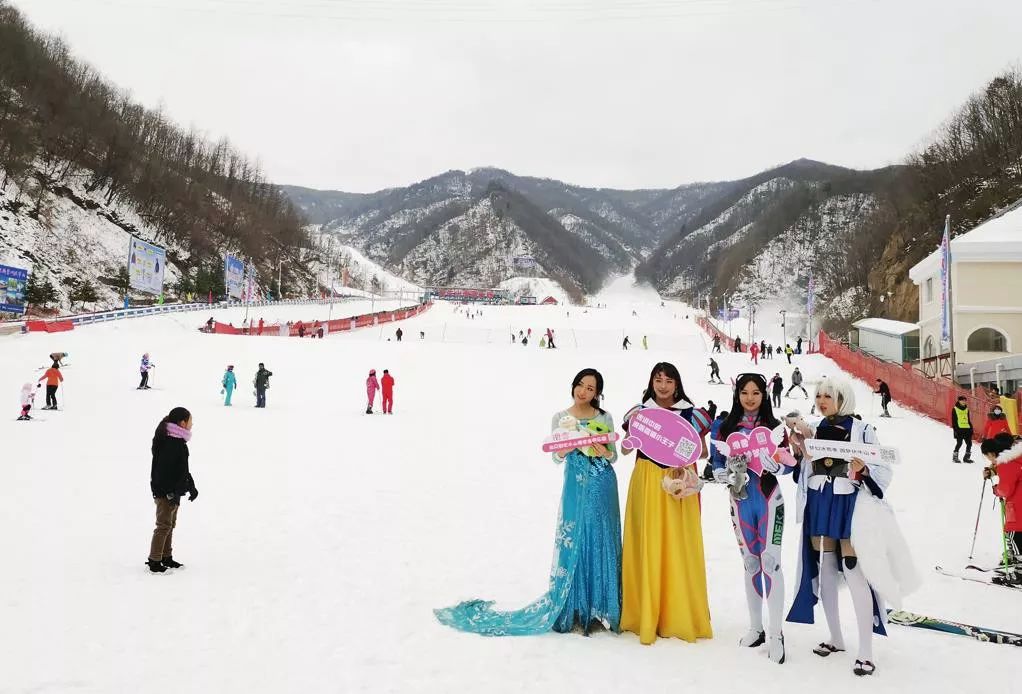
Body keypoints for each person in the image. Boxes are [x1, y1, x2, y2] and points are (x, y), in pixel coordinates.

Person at [435, 369, 621, 635]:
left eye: (590, 388)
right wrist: (571, 445)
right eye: (580, 385)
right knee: (576, 542)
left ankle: (598, 609)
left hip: (602, 485)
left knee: (599, 541)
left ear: (597, 393)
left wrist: (603, 450)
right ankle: (574, 609)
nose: (583, 391)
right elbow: (556, 457)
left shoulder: (605, 417)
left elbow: (613, 456)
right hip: (575, 485)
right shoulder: (561, 418)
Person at [787, 377, 901, 677]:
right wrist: (801, 451)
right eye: (819, 395)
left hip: (850, 503)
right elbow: (804, 467)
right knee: (823, 565)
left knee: (853, 569)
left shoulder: (863, 430)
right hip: (819, 500)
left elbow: (883, 469)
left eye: (829, 395)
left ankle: (866, 650)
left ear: (843, 397)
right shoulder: (814, 428)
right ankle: (836, 637)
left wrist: (862, 470)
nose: (823, 400)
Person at [619, 362, 712, 645]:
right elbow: (626, 447)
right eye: (658, 380)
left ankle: (677, 612)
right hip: (646, 479)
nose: (662, 386)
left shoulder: (691, 414)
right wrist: (628, 442)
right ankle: (644, 613)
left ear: (677, 384)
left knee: (677, 543)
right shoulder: (640, 413)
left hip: (677, 480)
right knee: (647, 541)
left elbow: (702, 451)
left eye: (668, 380)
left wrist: (687, 459)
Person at [711, 373, 796, 663]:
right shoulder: (725, 427)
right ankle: (756, 627)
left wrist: (779, 466)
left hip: (770, 501)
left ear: (764, 395)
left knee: (770, 563)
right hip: (740, 503)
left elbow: (788, 465)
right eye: (745, 392)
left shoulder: (774, 427)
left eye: (756, 393)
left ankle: (776, 633)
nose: (750, 398)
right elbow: (716, 462)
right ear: (737, 394)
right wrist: (720, 473)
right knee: (750, 564)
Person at [147, 406, 198, 573]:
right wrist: (170, 492)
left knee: (170, 525)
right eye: (190, 421)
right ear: (182, 423)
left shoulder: (177, 441)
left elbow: (182, 469)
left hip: (174, 492)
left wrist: (190, 486)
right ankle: (155, 560)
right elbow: (162, 472)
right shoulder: (171, 442)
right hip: (165, 493)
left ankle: (166, 557)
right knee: (163, 525)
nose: (192, 424)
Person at [982, 433, 1022, 577]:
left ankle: (1019, 573)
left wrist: (996, 490)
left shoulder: (1007, 462)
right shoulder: (1015, 457)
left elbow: (1005, 489)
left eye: (989, 457)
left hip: (1018, 504)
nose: (991, 461)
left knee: (1015, 535)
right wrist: (993, 471)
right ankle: (1013, 559)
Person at [952, 395, 974, 463]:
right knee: (959, 443)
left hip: (967, 429)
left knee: (969, 444)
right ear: (959, 401)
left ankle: (966, 458)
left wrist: (971, 428)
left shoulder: (967, 409)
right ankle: (955, 457)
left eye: (965, 400)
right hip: (959, 429)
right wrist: (956, 430)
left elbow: (968, 419)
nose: (964, 401)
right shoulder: (955, 409)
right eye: (962, 400)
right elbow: (954, 420)